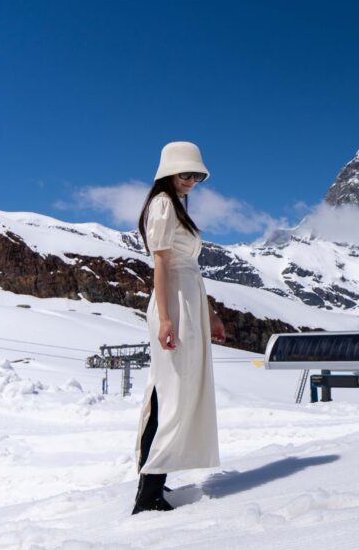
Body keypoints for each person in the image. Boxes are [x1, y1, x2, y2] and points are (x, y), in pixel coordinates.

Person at [132, 141, 227, 514]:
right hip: (173, 302)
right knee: (168, 393)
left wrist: (211, 313)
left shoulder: (174, 206)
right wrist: (167, 318)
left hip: (188, 301)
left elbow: (189, 267)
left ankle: (155, 485)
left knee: (177, 390)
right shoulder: (162, 205)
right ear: (169, 171)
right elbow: (161, 264)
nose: (192, 181)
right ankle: (148, 492)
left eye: (197, 176)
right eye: (186, 174)